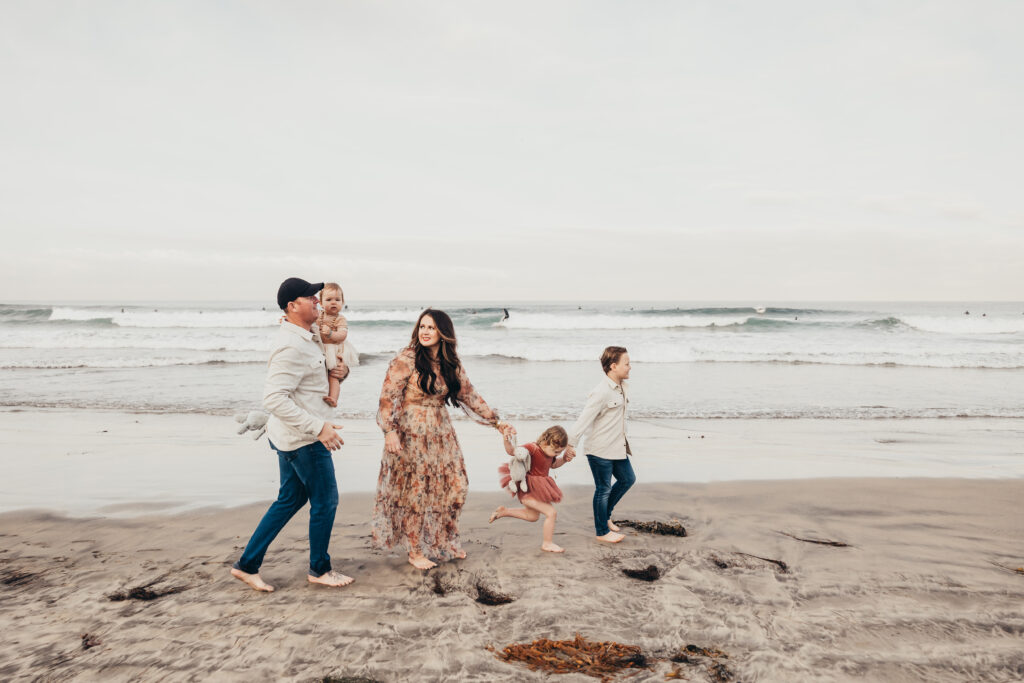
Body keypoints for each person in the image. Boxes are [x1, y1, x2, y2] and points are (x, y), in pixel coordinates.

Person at [230, 277, 352, 592]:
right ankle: (320, 569)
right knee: (326, 500)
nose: (317, 300)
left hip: (290, 437)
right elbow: (273, 398)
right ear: (292, 306)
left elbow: (319, 373)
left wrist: (342, 372)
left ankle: (247, 565)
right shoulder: (290, 345)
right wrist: (319, 427)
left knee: (290, 498)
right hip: (304, 441)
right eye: (310, 297)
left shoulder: (309, 335)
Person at [373, 308, 515, 570]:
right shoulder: (407, 358)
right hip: (410, 432)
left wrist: (497, 421)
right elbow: (387, 397)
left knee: (456, 486)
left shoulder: (451, 364)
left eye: (431, 328)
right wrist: (389, 431)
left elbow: (470, 396)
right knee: (417, 492)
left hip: (440, 432)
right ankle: (415, 551)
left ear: (443, 333)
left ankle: (442, 541)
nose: (425, 332)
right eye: (422, 327)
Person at [565, 346, 635, 544]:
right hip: (600, 450)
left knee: (627, 479)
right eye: (627, 363)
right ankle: (602, 531)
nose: (630, 367)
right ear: (613, 366)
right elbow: (584, 419)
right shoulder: (601, 392)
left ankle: (606, 515)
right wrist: (571, 444)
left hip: (617, 447)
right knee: (603, 488)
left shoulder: (622, 386)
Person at [490, 425, 575, 553]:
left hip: (539, 490)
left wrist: (563, 459)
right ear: (546, 442)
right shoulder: (533, 448)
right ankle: (547, 543)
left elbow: (554, 465)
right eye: (556, 452)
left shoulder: (550, 453)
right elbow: (512, 451)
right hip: (528, 489)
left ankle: (504, 512)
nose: (557, 454)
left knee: (532, 516)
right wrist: (506, 439)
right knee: (551, 513)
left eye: (559, 453)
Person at [317, 282, 359, 408]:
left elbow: (342, 335)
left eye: (337, 299)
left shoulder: (340, 319)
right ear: (320, 303)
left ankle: (333, 398)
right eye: (329, 299)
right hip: (322, 348)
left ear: (343, 302)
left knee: (333, 375)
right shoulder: (319, 315)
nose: (333, 302)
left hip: (333, 349)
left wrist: (331, 333)